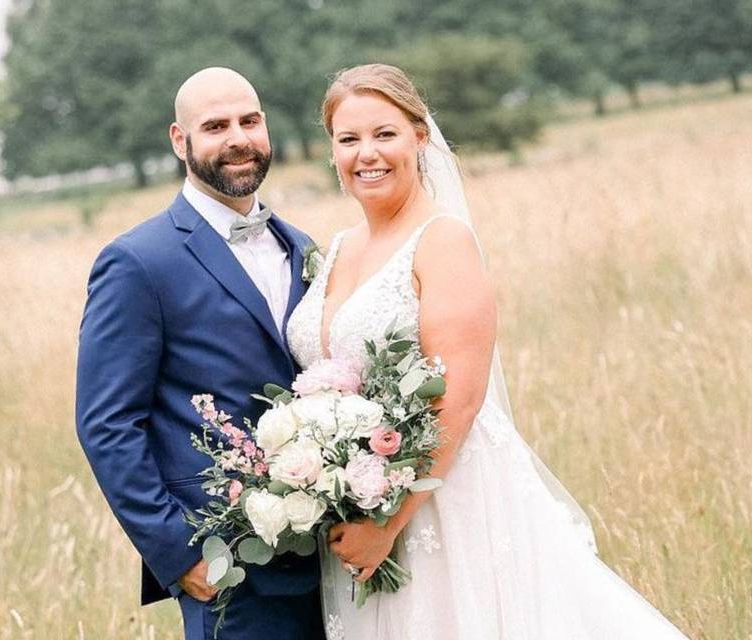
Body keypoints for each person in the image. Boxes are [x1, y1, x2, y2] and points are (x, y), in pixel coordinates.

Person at [286, 63, 690, 639]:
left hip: (444, 505)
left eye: (385, 134)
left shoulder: (442, 239)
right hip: (358, 504)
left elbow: (460, 400)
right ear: (331, 152)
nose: (366, 154)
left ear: (419, 137)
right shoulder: (338, 248)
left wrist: (388, 524)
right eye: (348, 139)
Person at [76, 67, 325, 640]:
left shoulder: (303, 246)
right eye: (215, 125)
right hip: (230, 567)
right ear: (179, 140)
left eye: (250, 120)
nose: (238, 137)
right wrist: (179, 552)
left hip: (332, 554)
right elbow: (107, 423)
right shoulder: (138, 262)